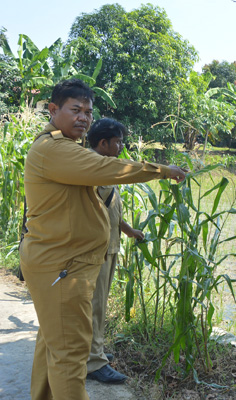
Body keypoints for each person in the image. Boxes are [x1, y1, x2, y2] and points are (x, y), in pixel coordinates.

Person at [19, 78, 186, 400]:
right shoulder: (54, 149)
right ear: (54, 110)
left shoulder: (65, 148)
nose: (83, 117)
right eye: (75, 110)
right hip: (62, 265)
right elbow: (110, 169)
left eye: (88, 112)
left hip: (64, 262)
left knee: (53, 345)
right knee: (70, 354)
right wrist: (162, 169)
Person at [85, 118, 143, 384]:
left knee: (100, 303)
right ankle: (94, 363)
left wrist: (128, 230)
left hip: (109, 246)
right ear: (103, 143)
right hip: (96, 250)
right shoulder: (92, 168)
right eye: (118, 141)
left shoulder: (104, 169)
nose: (121, 146)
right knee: (95, 306)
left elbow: (108, 208)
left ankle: (93, 351)